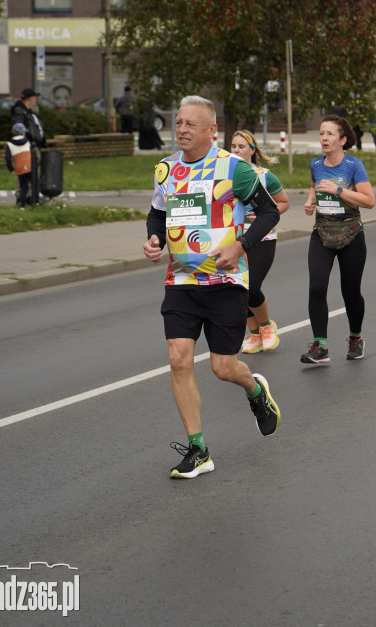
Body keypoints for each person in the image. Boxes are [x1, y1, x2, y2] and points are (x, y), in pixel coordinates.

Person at [142, 95, 281, 479]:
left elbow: (269, 211)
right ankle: (198, 449)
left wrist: (241, 245)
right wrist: (154, 239)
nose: (182, 129)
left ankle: (255, 390)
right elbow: (157, 212)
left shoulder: (234, 169)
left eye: (191, 124)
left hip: (225, 281)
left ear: (211, 131)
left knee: (222, 368)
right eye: (179, 122)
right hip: (181, 281)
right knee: (179, 360)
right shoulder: (166, 170)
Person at [301, 114, 376, 363]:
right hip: (322, 232)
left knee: (350, 292)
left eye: (330, 134)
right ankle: (320, 346)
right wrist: (311, 200)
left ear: (343, 140)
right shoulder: (315, 164)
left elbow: (369, 201)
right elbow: (315, 185)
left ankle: (356, 338)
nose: (324, 138)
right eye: (322, 133)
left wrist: (339, 190)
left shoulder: (354, 166)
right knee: (316, 287)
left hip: (351, 234)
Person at [229, 130, 291, 354]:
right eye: (233, 146)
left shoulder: (264, 175)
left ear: (252, 150)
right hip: (233, 239)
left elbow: (283, 202)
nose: (236, 150)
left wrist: (265, 214)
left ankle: (266, 326)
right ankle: (254, 333)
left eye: (241, 147)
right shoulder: (226, 175)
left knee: (251, 286)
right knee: (237, 287)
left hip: (263, 238)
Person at [10, 87, 47, 206]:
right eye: (34, 97)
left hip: (34, 146)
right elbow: (18, 128)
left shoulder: (30, 111)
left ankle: (32, 196)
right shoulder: (19, 111)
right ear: (29, 98)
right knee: (25, 171)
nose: (36, 99)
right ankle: (22, 198)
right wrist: (26, 139)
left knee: (33, 173)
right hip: (27, 146)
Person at [4, 123, 34, 210]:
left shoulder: (9, 144)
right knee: (35, 184)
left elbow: (7, 158)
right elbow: (34, 153)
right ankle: (34, 202)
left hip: (19, 168)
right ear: (23, 133)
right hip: (30, 166)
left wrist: (11, 169)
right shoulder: (28, 142)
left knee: (23, 186)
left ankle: (22, 206)